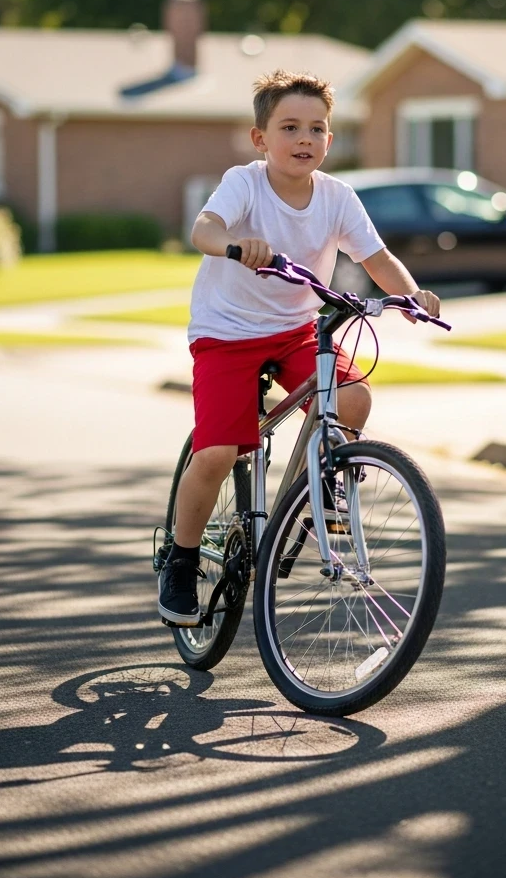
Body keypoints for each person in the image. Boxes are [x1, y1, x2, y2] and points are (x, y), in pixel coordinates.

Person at [158, 68, 441, 625]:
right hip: (227, 333)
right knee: (217, 452)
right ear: (261, 138)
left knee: (353, 398)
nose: (304, 139)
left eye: (317, 128)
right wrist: (236, 245)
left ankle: (320, 483)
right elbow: (203, 230)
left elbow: (376, 258)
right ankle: (181, 559)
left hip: (296, 330)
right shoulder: (245, 182)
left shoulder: (338, 197)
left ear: (330, 141)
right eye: (289, 127)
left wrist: (410, 295)